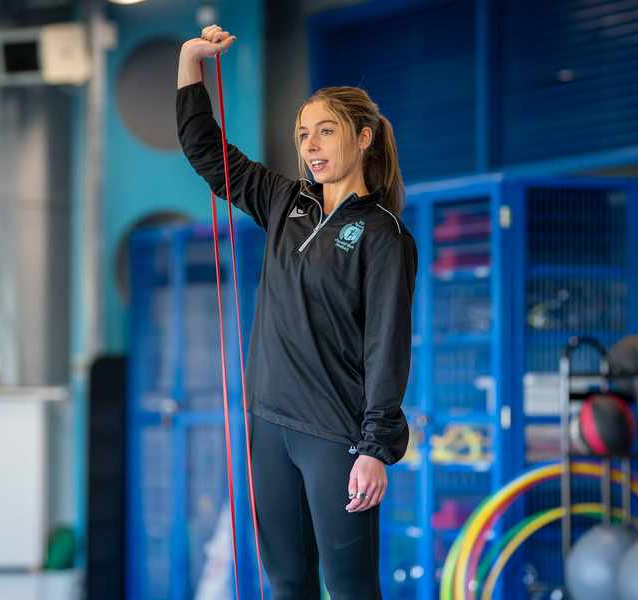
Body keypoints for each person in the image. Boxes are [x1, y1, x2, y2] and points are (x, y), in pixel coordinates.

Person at [177, 24, 417, 600]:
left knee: (350, 588)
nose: (310, 145)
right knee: (286, 581)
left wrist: (375, 448)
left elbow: (387, 345)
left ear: (363, 138)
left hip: (336, 437)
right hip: (269, 427)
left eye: (325, 131)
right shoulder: (285, 202)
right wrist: (190, 60)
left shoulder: (383, 234)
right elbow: (208, 153)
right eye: (303, 134)